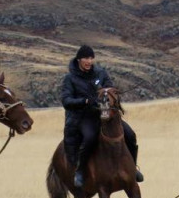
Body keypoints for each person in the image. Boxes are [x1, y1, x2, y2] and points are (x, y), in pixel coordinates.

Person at [60, 45, 143, 188]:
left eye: (91, 58)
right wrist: (85, 101)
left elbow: (110, 88)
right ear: (79, 59)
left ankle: (133, 168)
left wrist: (107, 95)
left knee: (130, 135)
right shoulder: (70, 78)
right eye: (86, 58)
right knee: (90, 138)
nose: (89, 61)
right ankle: (80, 171)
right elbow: (66, 101)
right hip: (84, 116)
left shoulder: (100, 73)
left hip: (105, 114)